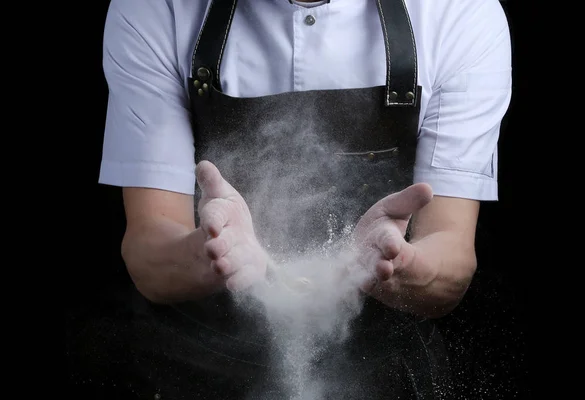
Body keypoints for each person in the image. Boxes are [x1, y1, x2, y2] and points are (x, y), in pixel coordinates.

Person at [96, 0, 512, 398]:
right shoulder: (155, 8)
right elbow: (150, 255)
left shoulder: (459, 12)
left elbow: (451, 259)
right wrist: (210, 253)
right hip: (196, 367)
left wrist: (396, 265)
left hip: (386, 372)